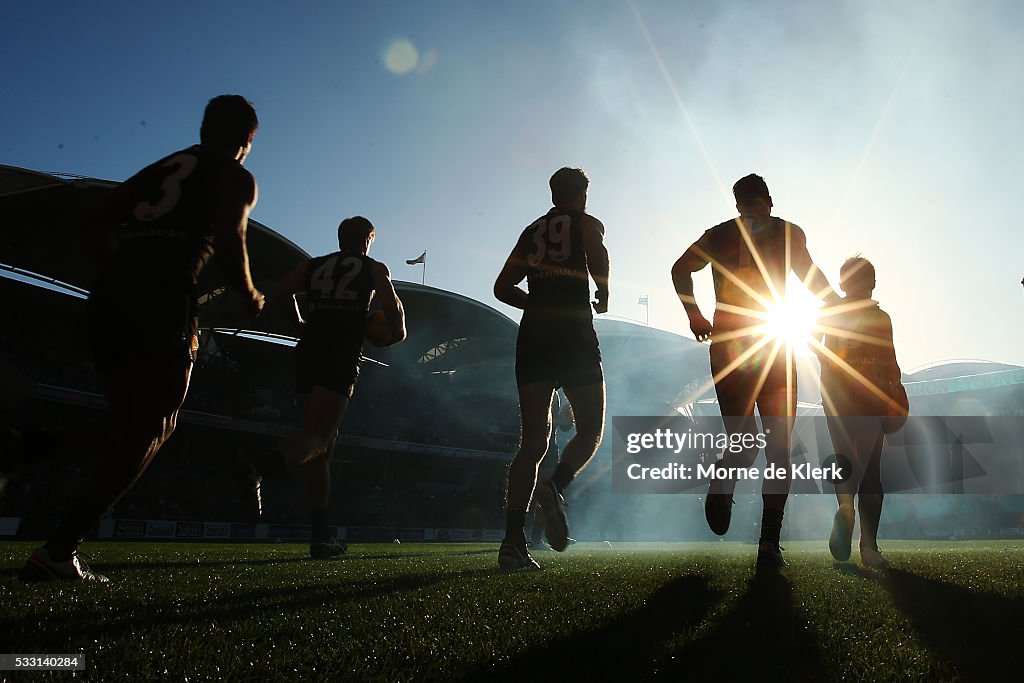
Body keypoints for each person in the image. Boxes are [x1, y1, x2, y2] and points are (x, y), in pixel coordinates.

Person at [20, 95, 264, 582]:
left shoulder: (164, 166)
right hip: (165, 301)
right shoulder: (234, 175)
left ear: (203, 127)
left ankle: (27, 447)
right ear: (246, 142)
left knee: (131, 428)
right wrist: (251, 295)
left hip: (110, 299)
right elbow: (231, 235)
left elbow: (94, 218)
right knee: (154, 427)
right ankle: (59, 549)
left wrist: (120, 269)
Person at [671, 173, 840, 568]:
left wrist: (695, 314)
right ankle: (768, 544)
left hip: (731, 345)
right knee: (779, 447)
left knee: (744, 442)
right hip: (773, 342)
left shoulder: (719, 234)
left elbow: (679, 269)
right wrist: (840, 308)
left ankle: (723, 481)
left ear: (737, 204)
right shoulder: (787, 233)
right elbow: (811, 278)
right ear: (769, 199)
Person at [493, 167, 610, 570]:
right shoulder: (585, 223)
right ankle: (554, 487)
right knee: (591, 428)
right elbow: (597, 253)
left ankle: (512, 543)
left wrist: (537, 304)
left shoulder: (531, 231)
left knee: (533, 441)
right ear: (583, 195)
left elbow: (501, 287)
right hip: (573, 330)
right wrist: (604, 290)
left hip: (534, 336)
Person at [271, 216, 406, 559]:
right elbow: (392, 307)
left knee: (321, 448)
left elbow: (282, 293)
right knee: (317, 441)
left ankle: (320, 538)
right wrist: (397, 334)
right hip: (340, 352)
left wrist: (300, 323)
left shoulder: (312, 265)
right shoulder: (374, 267)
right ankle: (258, 468)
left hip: (309, 349)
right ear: (367, 240)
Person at [817, 256, 902, 569]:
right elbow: (891, 363)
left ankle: (845, 506)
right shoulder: (881, 318)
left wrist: (830, 362)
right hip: (870, 393)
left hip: (835, 393)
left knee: (844, 458)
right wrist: (897, 392)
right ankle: (869, 548)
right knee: (870, 470)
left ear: (842, 283)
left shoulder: (830, 311)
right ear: (873, 283)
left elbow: (812, 341)